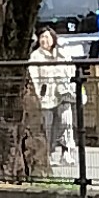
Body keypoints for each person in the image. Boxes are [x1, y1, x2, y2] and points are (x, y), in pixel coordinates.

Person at [30, 26, 76, 170]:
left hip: (63, 93)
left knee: (66, 122)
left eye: (47, 37)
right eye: (42, 37)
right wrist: (37, 94)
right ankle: (47, 154)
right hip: (46, 96)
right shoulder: (36, 56)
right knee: (47, 125)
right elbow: (34, 77)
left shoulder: (62, 53)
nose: (45, 40)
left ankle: (66, 151)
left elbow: (71, 70)